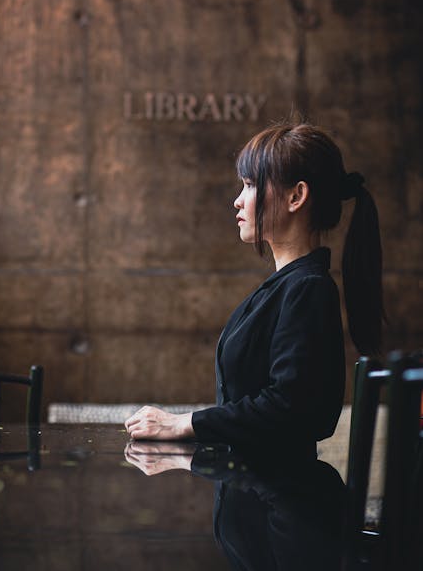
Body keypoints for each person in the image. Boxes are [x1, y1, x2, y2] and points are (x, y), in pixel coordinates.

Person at [125, 122, 385, 452]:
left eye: (250, 185)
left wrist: (183, 423)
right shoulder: (289, 287)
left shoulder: (308, 289)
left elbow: (290, 409)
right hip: (255, 486)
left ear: (296, 196)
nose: (237, 200)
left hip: (275, 492)